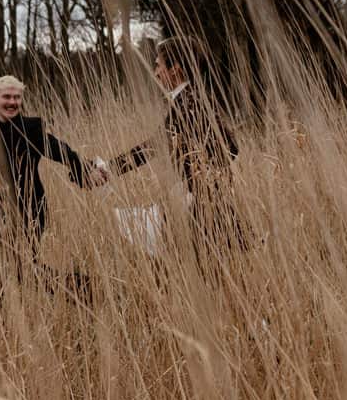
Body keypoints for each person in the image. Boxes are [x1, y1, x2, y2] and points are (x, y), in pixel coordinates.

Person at [96, 36, 247, 259]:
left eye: (158, 65)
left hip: (201, 205)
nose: (156, 72)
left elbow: (152, 147)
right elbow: (231, 148)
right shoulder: (194, 99)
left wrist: (110, 169)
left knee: (196, 267)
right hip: (206, 201)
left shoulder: (187, 104)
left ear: (175, 69)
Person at [0, 75, 97, 302]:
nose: (12, 102)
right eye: (6, 97)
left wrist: (83, 167)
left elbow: (57, 148)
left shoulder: (31, 128)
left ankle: (82, 289)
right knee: (13, 268)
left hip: (30, 209)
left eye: (17, 97)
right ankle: (80, 289)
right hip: (3, 211)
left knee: (6, 267)